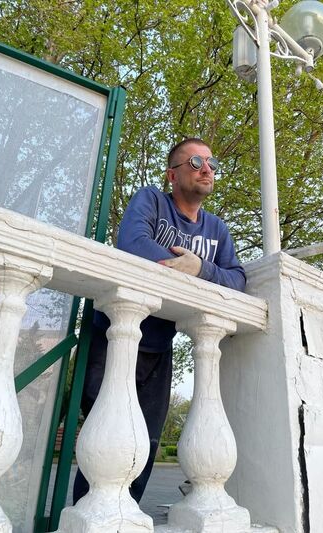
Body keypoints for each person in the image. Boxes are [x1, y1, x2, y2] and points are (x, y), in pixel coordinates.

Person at [73, 137, 246, 504]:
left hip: (159, 347)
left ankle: (127, 518)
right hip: (113, 335)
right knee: (108, 439)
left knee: (147, 444)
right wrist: (185, 271)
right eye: (196, 162)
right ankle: (88, 518)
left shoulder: (217, 229)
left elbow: (238, 280)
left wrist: (200, 268)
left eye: (212, 163)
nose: (207, 169)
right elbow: (132, 242)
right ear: (172, 174)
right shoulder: (151, 200)